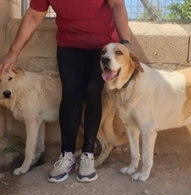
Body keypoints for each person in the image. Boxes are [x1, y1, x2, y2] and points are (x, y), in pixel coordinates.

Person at [0, 0, 130, 183]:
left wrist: (125, 42)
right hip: (70, 46)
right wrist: (13, 51)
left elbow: (117, 5)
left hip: (102, 47)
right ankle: (67, 155)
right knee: (70, 94)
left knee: (93, 92)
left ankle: (88, 155)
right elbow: (34, 16)